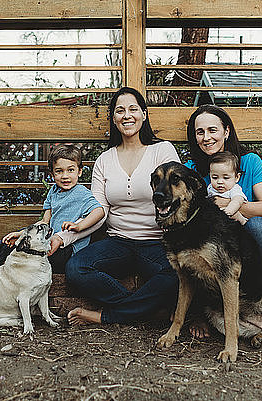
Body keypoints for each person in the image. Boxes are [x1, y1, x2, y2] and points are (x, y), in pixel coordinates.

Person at [64, 86, 181, 326]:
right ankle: (145, 311)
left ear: (144, 114)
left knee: (177, 275)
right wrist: (65, 236)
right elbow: (99, 210)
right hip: (118, 242)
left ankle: (107, 316)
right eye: (119, 111)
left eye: (133, 109)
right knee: (76, 268)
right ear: (114, 119)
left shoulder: (162, 150)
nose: (126, 115)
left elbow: (176, 200)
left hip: (157, 242)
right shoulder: (104, 160)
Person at [185, 104, 262, 338]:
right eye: (200, 132)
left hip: (245, 244)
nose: (206, 138)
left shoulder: (249, 162)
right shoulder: (191, 170)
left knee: (260, 227)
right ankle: (201, 312)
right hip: (211, 248)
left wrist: (230, 205)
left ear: (226, 131)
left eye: (212, 130)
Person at [0, 144, 105, 274]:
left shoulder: (82, 193)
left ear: (79, 172)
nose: (65, 176)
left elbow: (99, 212)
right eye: (59, 171)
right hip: (48, 242)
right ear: (52, 174)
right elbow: (44, 222)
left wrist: (79, 226)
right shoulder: (53, 192)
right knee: (19, 237)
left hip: (68, 251)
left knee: (33, 251)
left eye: (71, 170)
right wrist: (22, 233)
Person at [207, 151, 248, 225]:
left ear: (237, 177)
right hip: (216, 221)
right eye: (215, 177)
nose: (219, 182)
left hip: (232, 219)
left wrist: (228, 212)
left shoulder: (234, 189)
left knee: (236, 215)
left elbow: (238, 200)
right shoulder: (210, 188)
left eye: (226, 178)